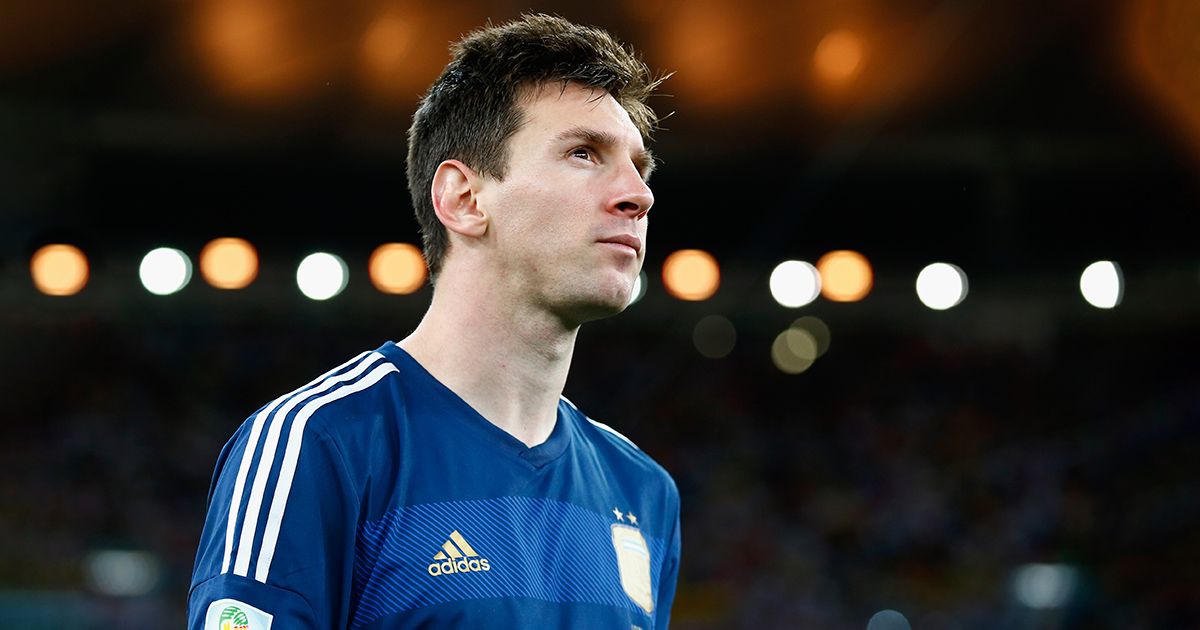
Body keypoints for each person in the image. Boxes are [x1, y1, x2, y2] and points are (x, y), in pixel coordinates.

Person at [187, 13, 680, 629]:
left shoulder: (641, 491)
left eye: (641, 167)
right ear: (464, 199)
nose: (639, 194)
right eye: (584, 153)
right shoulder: (320, 444)